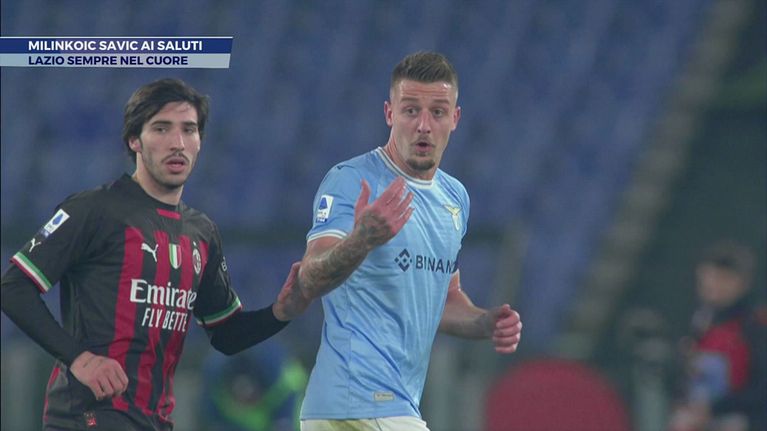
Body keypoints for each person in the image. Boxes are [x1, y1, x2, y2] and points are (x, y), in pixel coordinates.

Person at [0, 78, 309, 431]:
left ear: (200, 141)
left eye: (188, 130)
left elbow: (226, 334)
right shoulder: (93, 210)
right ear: (135, 140)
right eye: (161, 128)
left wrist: (280, 312)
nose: (177, 143)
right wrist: (79, 359)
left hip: (154, 421)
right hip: (87, 417)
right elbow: (13, 288)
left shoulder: (201, 232)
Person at [296, 51, 523, 431]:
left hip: (379, 406)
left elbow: (444, 300)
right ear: (389, 114)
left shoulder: (455, 198)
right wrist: (361, 240)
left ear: (455, 118)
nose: (423, 125)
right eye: (411, 110)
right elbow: (309, 277)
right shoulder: (351, 180)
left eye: (437, 112)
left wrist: (485, 322)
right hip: (359, 401)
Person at [668, 241, 767, 431]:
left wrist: (715, 409)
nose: (714, 285)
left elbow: (762, 389)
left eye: (724, 278)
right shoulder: (699, 321)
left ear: (743, 283)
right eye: (709, 277)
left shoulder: (756, 326)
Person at [200, 338, 308, 431]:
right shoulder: (215, 386)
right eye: (241, 398)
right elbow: (214, 420)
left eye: (250, 397)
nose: (246, 402)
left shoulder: (283, 384)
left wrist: (283, 423)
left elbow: (285, 423)